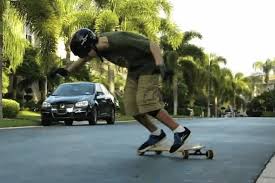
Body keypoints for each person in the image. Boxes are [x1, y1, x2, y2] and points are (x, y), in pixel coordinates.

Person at [51, 28, 191, 153]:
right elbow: (83, 59)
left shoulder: (118, 40)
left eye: (87, 52)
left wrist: (161, 65)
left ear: (92, 45)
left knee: (146, 102)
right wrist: (66, 71)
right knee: (130, 105)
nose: (87, 56)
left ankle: (180, 131)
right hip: (134, 69)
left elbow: (152, 45)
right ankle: (156, 133)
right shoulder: (96, 46)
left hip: (150, 66)